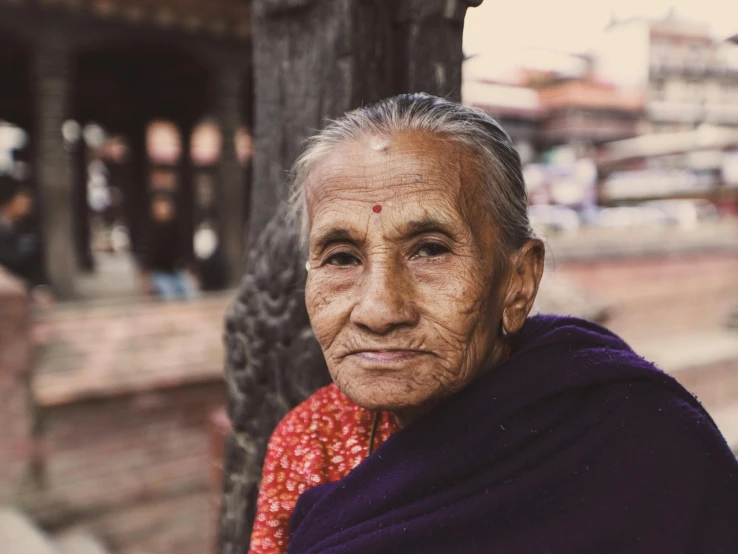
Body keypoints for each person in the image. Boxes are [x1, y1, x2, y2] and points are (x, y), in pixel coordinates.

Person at [248, 94, 738, 554]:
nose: (378, 310)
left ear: (518, 282)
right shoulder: (310, 439)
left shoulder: (646, 439)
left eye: (431, 250)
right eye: (340, 257)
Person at [0, 176, 51, 303]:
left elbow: (36, 267)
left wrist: (40, 287)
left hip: (28, 294)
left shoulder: (28, 229)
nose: (28, 201)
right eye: (23, 196)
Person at [136, 193, 194, 301]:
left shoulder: (177, 227)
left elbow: (184, 251)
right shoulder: (150, 231)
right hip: (159, 274)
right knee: (169, 295)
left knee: (190, 293)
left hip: (176, 271)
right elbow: (146, 255)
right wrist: (145, 278)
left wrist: (188, 268)